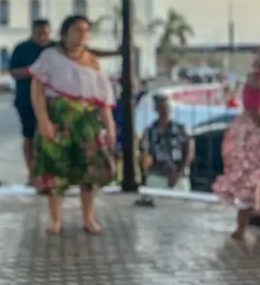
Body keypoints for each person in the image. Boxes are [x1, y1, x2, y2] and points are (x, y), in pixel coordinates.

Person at [30, 15, 116, 235]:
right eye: (77, 30)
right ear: (65, 33)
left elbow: (103, 102)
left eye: (85, 31)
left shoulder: (93, 63)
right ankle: (55, 220)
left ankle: (88, 219)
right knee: (55, 171)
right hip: (58, 119)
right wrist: (43, 120)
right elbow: (37, 90)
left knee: (88, 172)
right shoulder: (50, 57)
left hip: (86, 123)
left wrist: (110, 129)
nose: (81, 35)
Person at [213, 47, 260, 241]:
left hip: (258, 133)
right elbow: (255, 113)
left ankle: (243, 228)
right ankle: (241, 229)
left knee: (255, 184)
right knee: (252, 183)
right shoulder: (257, 80)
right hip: (255, 136)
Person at [10, 19, 53, 184]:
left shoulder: (54, 49)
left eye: (46, 34)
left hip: (50, 100)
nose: (43, 38)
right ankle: (32, 171)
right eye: (39, 34)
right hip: (26, 100)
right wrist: (32, 71)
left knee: (48, 135)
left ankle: (48, 171)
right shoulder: (22, 49)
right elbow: (14, 72)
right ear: (33, 33)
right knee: (29, 135)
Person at [136, 94, 193, 205]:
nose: (165, 110)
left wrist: (178, 174)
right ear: (156, 109)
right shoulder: (149, 131)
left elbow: (189, 152)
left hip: (179, 179)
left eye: (167, 107)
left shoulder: (182, 130)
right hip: (157, 177)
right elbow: (144, 154)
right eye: (161, 107)